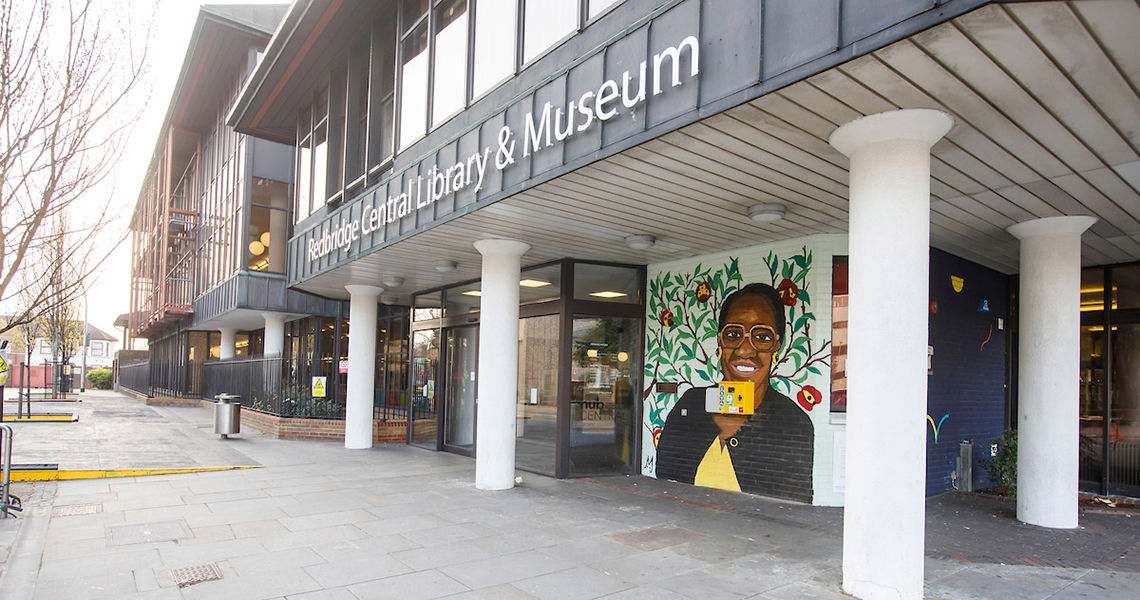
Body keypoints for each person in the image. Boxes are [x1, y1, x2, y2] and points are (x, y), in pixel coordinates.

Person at [655, 283, 814, 503]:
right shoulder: (691, 405)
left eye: (762, 337)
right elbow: (664, 476)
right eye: (733, 334)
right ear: (720, 340)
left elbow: (796, 501)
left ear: (777, 345)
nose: (744, 350)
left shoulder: (794, 422)